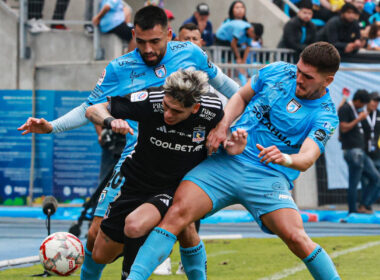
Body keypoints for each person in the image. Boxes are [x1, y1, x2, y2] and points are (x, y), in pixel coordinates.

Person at [18, 6, 239, 280]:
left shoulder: (191, 54)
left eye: (155, 42)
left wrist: (223, 126)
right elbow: (92, 106)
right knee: (96, 237)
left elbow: (233, 91)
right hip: (138, 157)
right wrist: (52, 126)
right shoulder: (120, 68)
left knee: (184, 226)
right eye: (141, 41)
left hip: (183, 161)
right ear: (133, 34)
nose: (147, 49)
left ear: (169, 35)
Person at [125, 42, 342, 280]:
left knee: (296, 238)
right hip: (226, 162)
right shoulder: (279, 70)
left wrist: (285, 158)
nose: (298, 78)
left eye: (307, 77)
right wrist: (222, 126)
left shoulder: (326, 114)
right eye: (299, 70)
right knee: (178, 215)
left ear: (327, 81)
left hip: (268, 177)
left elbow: (307, 158)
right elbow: (241, 95)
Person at [86, 69, 246, 280]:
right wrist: (110, 121)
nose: (168, 115)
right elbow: (93, 109)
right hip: (136, 182)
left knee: (136, 225)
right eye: (166, 106)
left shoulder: (212, 109)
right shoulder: (149, 100)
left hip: (178, 186)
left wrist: (228, 139)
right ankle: (156, 243)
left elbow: (230, 125)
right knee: (100, 254)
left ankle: (138, 264)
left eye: (177, 111)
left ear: (195, 107)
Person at [338, 89, 380, 213]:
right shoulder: (350, 109)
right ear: (357, 101)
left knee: (375, 178)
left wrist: (344, 98)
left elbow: (340, 114)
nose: (364, 106)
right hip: (354, 151)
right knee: (354, 182)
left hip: (361, 151)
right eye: (363, 103)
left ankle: (363, 205)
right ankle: (353, 211)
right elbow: (343, 126)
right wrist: (359, 119)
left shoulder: (355, 110)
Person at [215, 19, 256, 84]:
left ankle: (240, 79)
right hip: (222, 38)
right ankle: (227, 80)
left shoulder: (250, 33)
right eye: (254, 37)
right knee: (229, 59)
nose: (253, 39)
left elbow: (248, 47)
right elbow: (233, 43)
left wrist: (243, 62)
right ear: (251, 31)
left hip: (231, 40)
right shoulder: (240, 28)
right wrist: (238, 58)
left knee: (240, 62)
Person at [359, 91, 380, 213]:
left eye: (377, 102)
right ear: (368, 101)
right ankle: (364, 205)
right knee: (366, 181)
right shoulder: (360, 114)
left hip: (377, 154)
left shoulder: (379, 114)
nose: (375, 103)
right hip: (364, 153)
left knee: (377, 181)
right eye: (373, 100)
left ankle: (367, 204)